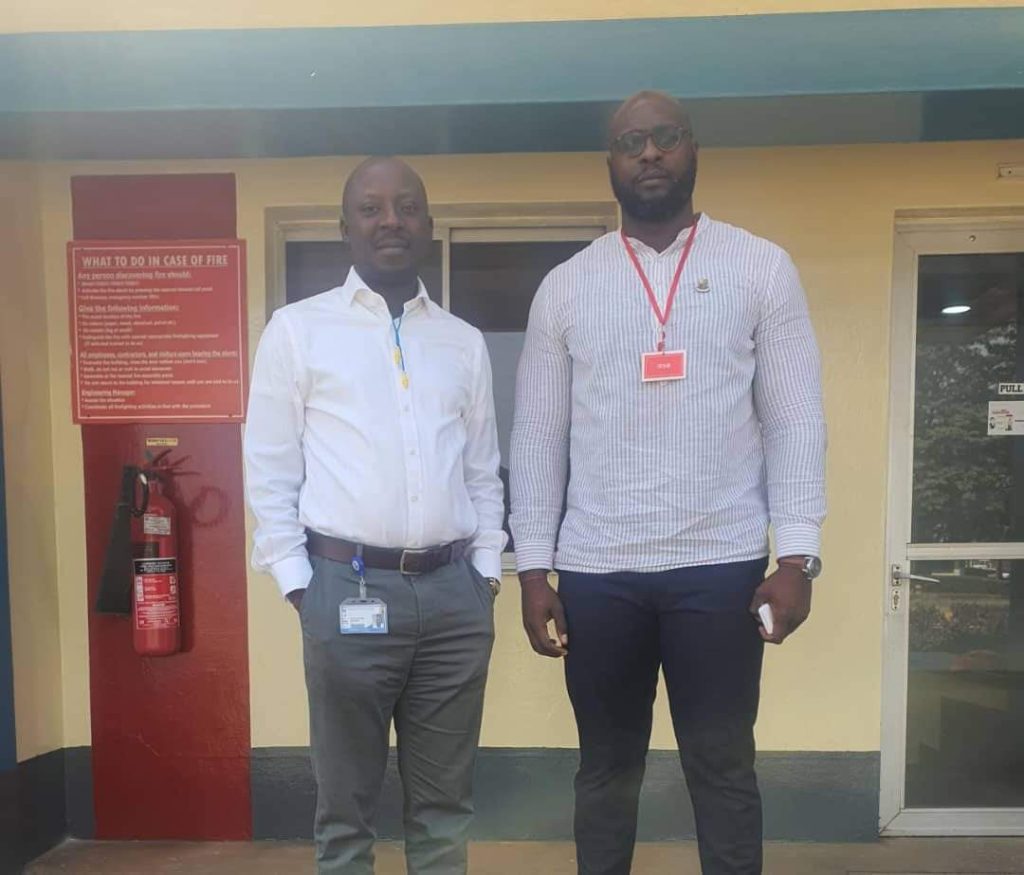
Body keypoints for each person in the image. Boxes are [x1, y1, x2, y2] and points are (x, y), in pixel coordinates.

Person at [510, 91, 826, 875]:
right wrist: (533, 567)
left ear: (693, 150)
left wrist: (796, 556)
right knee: (605, 770)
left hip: (720, 567)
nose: (649, 153)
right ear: (610, 163)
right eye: (631, 143)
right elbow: (539, 436)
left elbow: (795, 419)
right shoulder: (567, 286)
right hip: (598, 570)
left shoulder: (760, 266)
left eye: (665, 137)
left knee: (724, 770)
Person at [244, 157, 506, 874]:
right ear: (345, 227)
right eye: (371, 208)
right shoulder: (298, 331)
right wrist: (300, 585)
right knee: (346, 815)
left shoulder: (462, 341)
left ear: (428, 223)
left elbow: (481, 469)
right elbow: (269, 467)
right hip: (345, 589)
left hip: (453, 599)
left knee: (445, 811)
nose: (391, 220)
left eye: (407, 206)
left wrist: (485, 572)